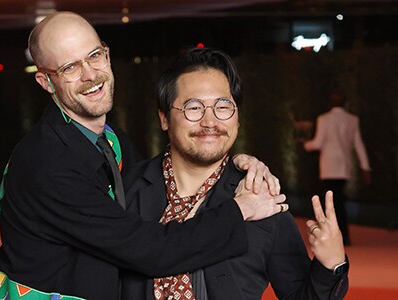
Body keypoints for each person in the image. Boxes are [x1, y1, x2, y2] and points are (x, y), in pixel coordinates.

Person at [0, 12, 287, 300]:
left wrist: (235, 161)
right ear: (46, 82)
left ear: (107, 55)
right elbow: (149, 250)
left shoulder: (111, 141)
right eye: (70, 68)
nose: (91, 74)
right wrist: (240, 209)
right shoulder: (47, 164)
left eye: (94, 56)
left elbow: (163, 172)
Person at [121, 48, 349, 300]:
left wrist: (331, 264)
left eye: (223, 106)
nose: (210, 121)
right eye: (194, 107)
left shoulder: (263, 198)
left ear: (237, 118)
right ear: (164, 118)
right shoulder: (125, 189)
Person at [304, 91, 371, 246]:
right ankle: (343, 236)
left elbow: (318, 143)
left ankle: (335, 237)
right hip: (343, 167)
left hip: (328, 167)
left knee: (331, 202)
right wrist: (365, 167)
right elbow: (358, 144)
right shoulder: (352, 119)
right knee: (338, 201)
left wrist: (306, 144)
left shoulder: (324, 119)